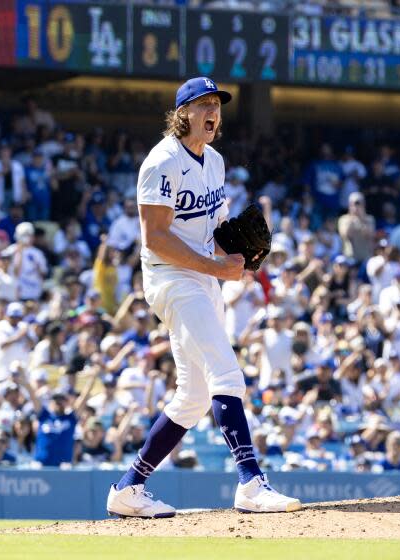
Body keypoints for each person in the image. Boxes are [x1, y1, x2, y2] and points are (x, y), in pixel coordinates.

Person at [107, 77, 300, 519]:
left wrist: (239, 257)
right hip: (170, 279)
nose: (213, 111)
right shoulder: (162, 162)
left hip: (202, 276)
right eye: (203, 104)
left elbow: (213, 232)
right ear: (182, 114)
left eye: (217, 104)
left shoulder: (214, 162)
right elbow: (155, 238)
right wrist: (216, 267)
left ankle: (129, 487)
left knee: (192, 398)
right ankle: (251, 482)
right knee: (226, 373)